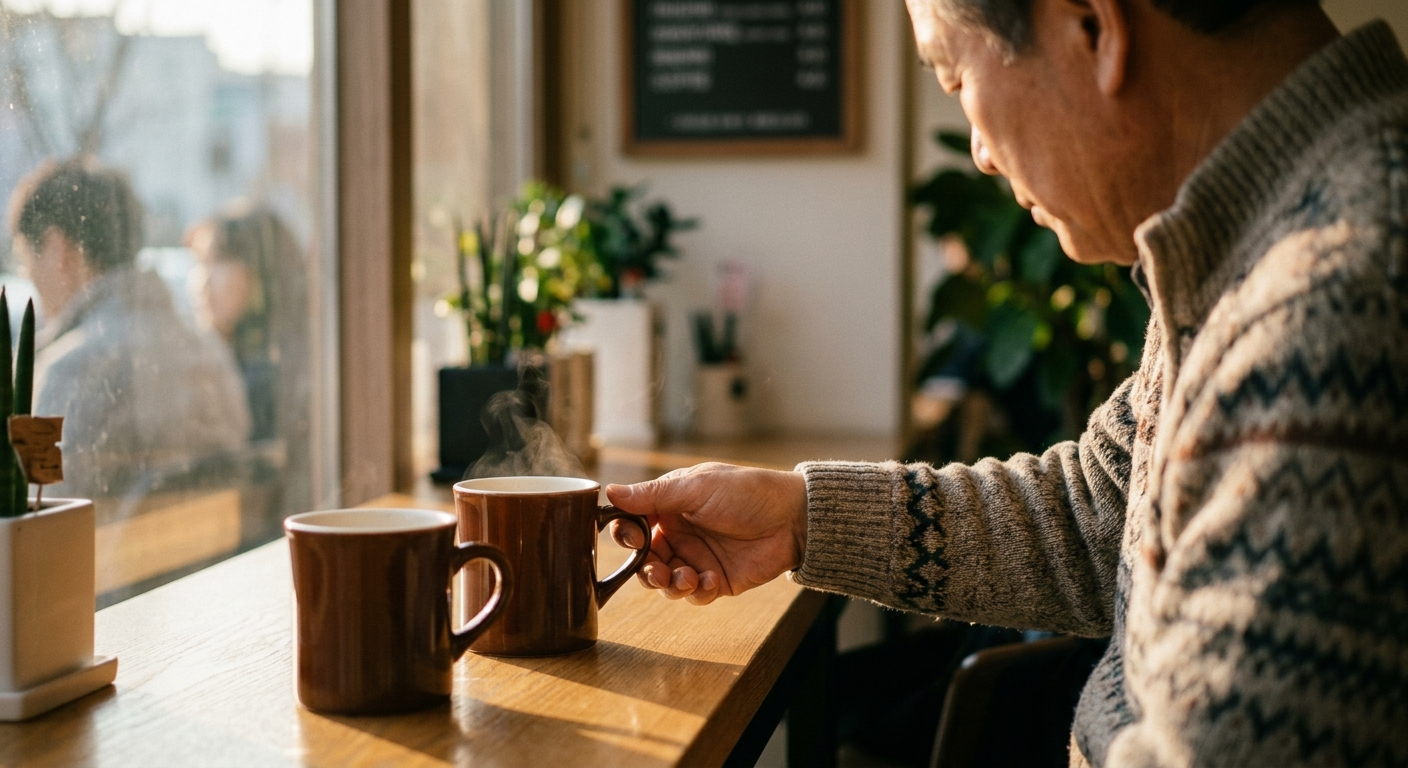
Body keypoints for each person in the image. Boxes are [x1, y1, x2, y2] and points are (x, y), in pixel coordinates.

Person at [606, 1, 1408, 765]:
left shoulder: (1336, 298)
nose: (980, 153)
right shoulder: (1258, 238)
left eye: (956, 77)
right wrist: (801, 517)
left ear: (1092, 26)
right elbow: (1102, 515)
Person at [7, 159, 251, 504]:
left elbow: (35, 530)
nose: (28, 274)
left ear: (57, 250)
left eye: (24, 258)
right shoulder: (212, 354)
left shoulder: (67, 372)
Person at [185, 206, 312, 520]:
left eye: (218, 262)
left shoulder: (267, 377)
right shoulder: (222, 362)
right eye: (200, 263)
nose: (201, 281)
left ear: (260, 274)